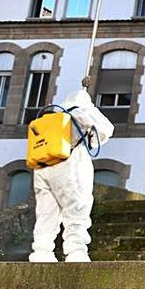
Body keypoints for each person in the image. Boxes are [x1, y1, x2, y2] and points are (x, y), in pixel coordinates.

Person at [29, 89, 114, 263]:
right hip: (69, 163)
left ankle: (41, 251)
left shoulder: (53, 114)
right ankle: (76, 251)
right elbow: (106, 130)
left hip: (42, 165)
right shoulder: (83, 109)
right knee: (77, 206)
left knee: (46, 211)